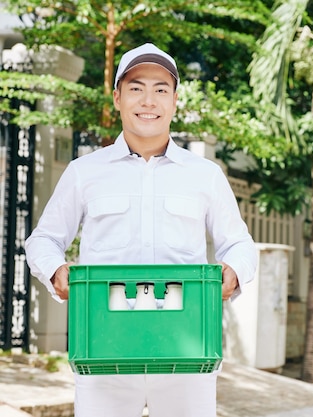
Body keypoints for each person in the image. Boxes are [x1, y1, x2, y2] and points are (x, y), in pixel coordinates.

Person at [25, 43, 258, 417]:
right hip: (104, 350)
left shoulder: (205, 176)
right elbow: (44, 239)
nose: (148, 100)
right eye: (136, 88)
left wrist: (234, 271)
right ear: (117, 97)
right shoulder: (85, 172)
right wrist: (56, 270)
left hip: (187, 352)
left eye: (160, 89)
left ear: (175, 100)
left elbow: (239, 244)